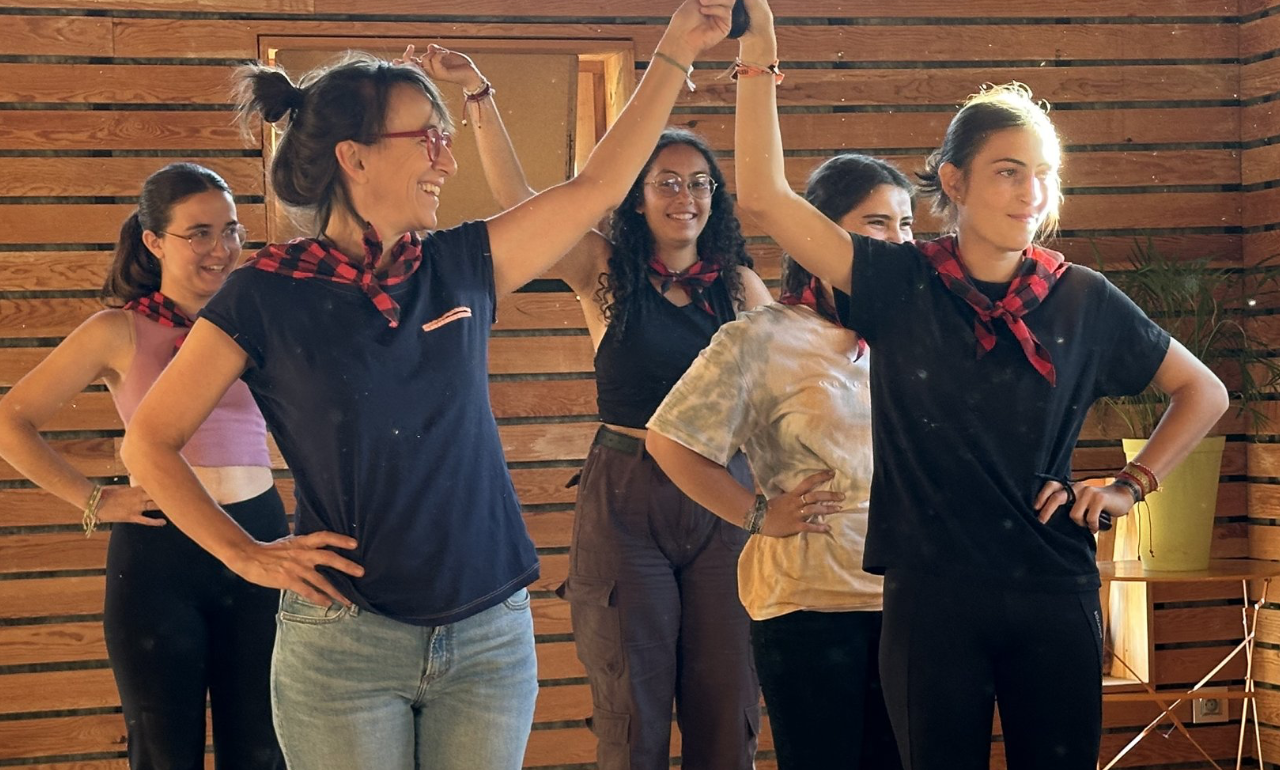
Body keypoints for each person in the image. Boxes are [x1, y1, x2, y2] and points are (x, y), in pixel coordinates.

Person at [118, 3, 739, 769]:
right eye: (429, 139)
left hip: (489, 638)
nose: (447, 161)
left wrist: (677, 45)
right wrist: (246, 554)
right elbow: (149, 442)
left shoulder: (462, 263)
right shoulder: (264, 294)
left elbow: (600, 185)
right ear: (355, 157)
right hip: (344, 645)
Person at [729, 2, 1231, 768]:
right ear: (954, 181)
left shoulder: (1083, 296)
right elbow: (765, 197)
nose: (1031, 192)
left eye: (1044, 175)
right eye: (1008, 171)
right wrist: (760, 50)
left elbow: (1204, 392)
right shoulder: (898, 280)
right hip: (931, 602)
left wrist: (1130, 485)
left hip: (1055, 590)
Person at [411, 43, 772, 770]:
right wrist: (479, 93)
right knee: (631, 711)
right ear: (637, 196)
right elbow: (522, 202)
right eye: (666, 182)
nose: (685, 197)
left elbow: (784, 395)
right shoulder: (603, 268)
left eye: (700, 183)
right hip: (626, 494)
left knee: (727, 704)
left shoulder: (740, 287)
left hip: (724, 495)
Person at [0, 162, 286, 770]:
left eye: (231, 230)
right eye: (200, 233)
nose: (222, 249)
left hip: (260, 535)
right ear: (154, 241)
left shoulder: (262, 323)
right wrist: (95, 498)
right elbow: (10, 421)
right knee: (161, 753)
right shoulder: (117, 329)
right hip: (159, 555)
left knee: (264, 750)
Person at [645, 153, 913, 770]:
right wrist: (759, 514)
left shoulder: (916, 333)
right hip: (809, 606)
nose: (899, 241)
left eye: (906, 224)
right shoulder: (762, 337)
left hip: (910, 603)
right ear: (815, 232)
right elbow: (670, 441)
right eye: (877, 223)